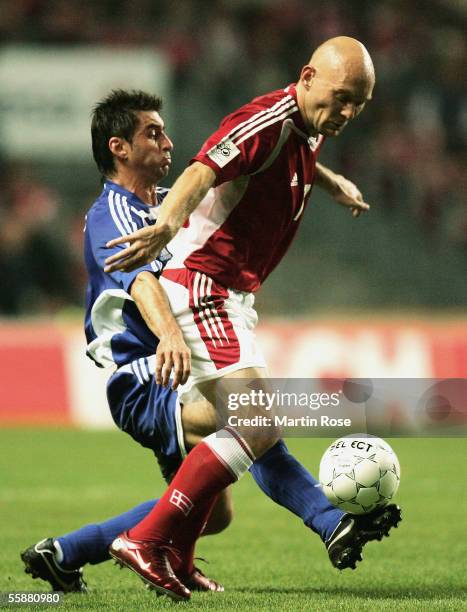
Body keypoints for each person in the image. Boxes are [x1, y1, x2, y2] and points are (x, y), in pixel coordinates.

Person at [21, 88, 394, 598]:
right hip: (146, 373)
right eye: (152, 133)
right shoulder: (114, 213)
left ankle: (65, 553)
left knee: (213, 508)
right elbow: (143, 281)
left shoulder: (162, 199)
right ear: (119, 148)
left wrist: (322, 179)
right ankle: (317, 522)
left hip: (168, 365)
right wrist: (171, 335)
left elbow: (244, 167)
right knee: (256, 422)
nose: (168, 142)